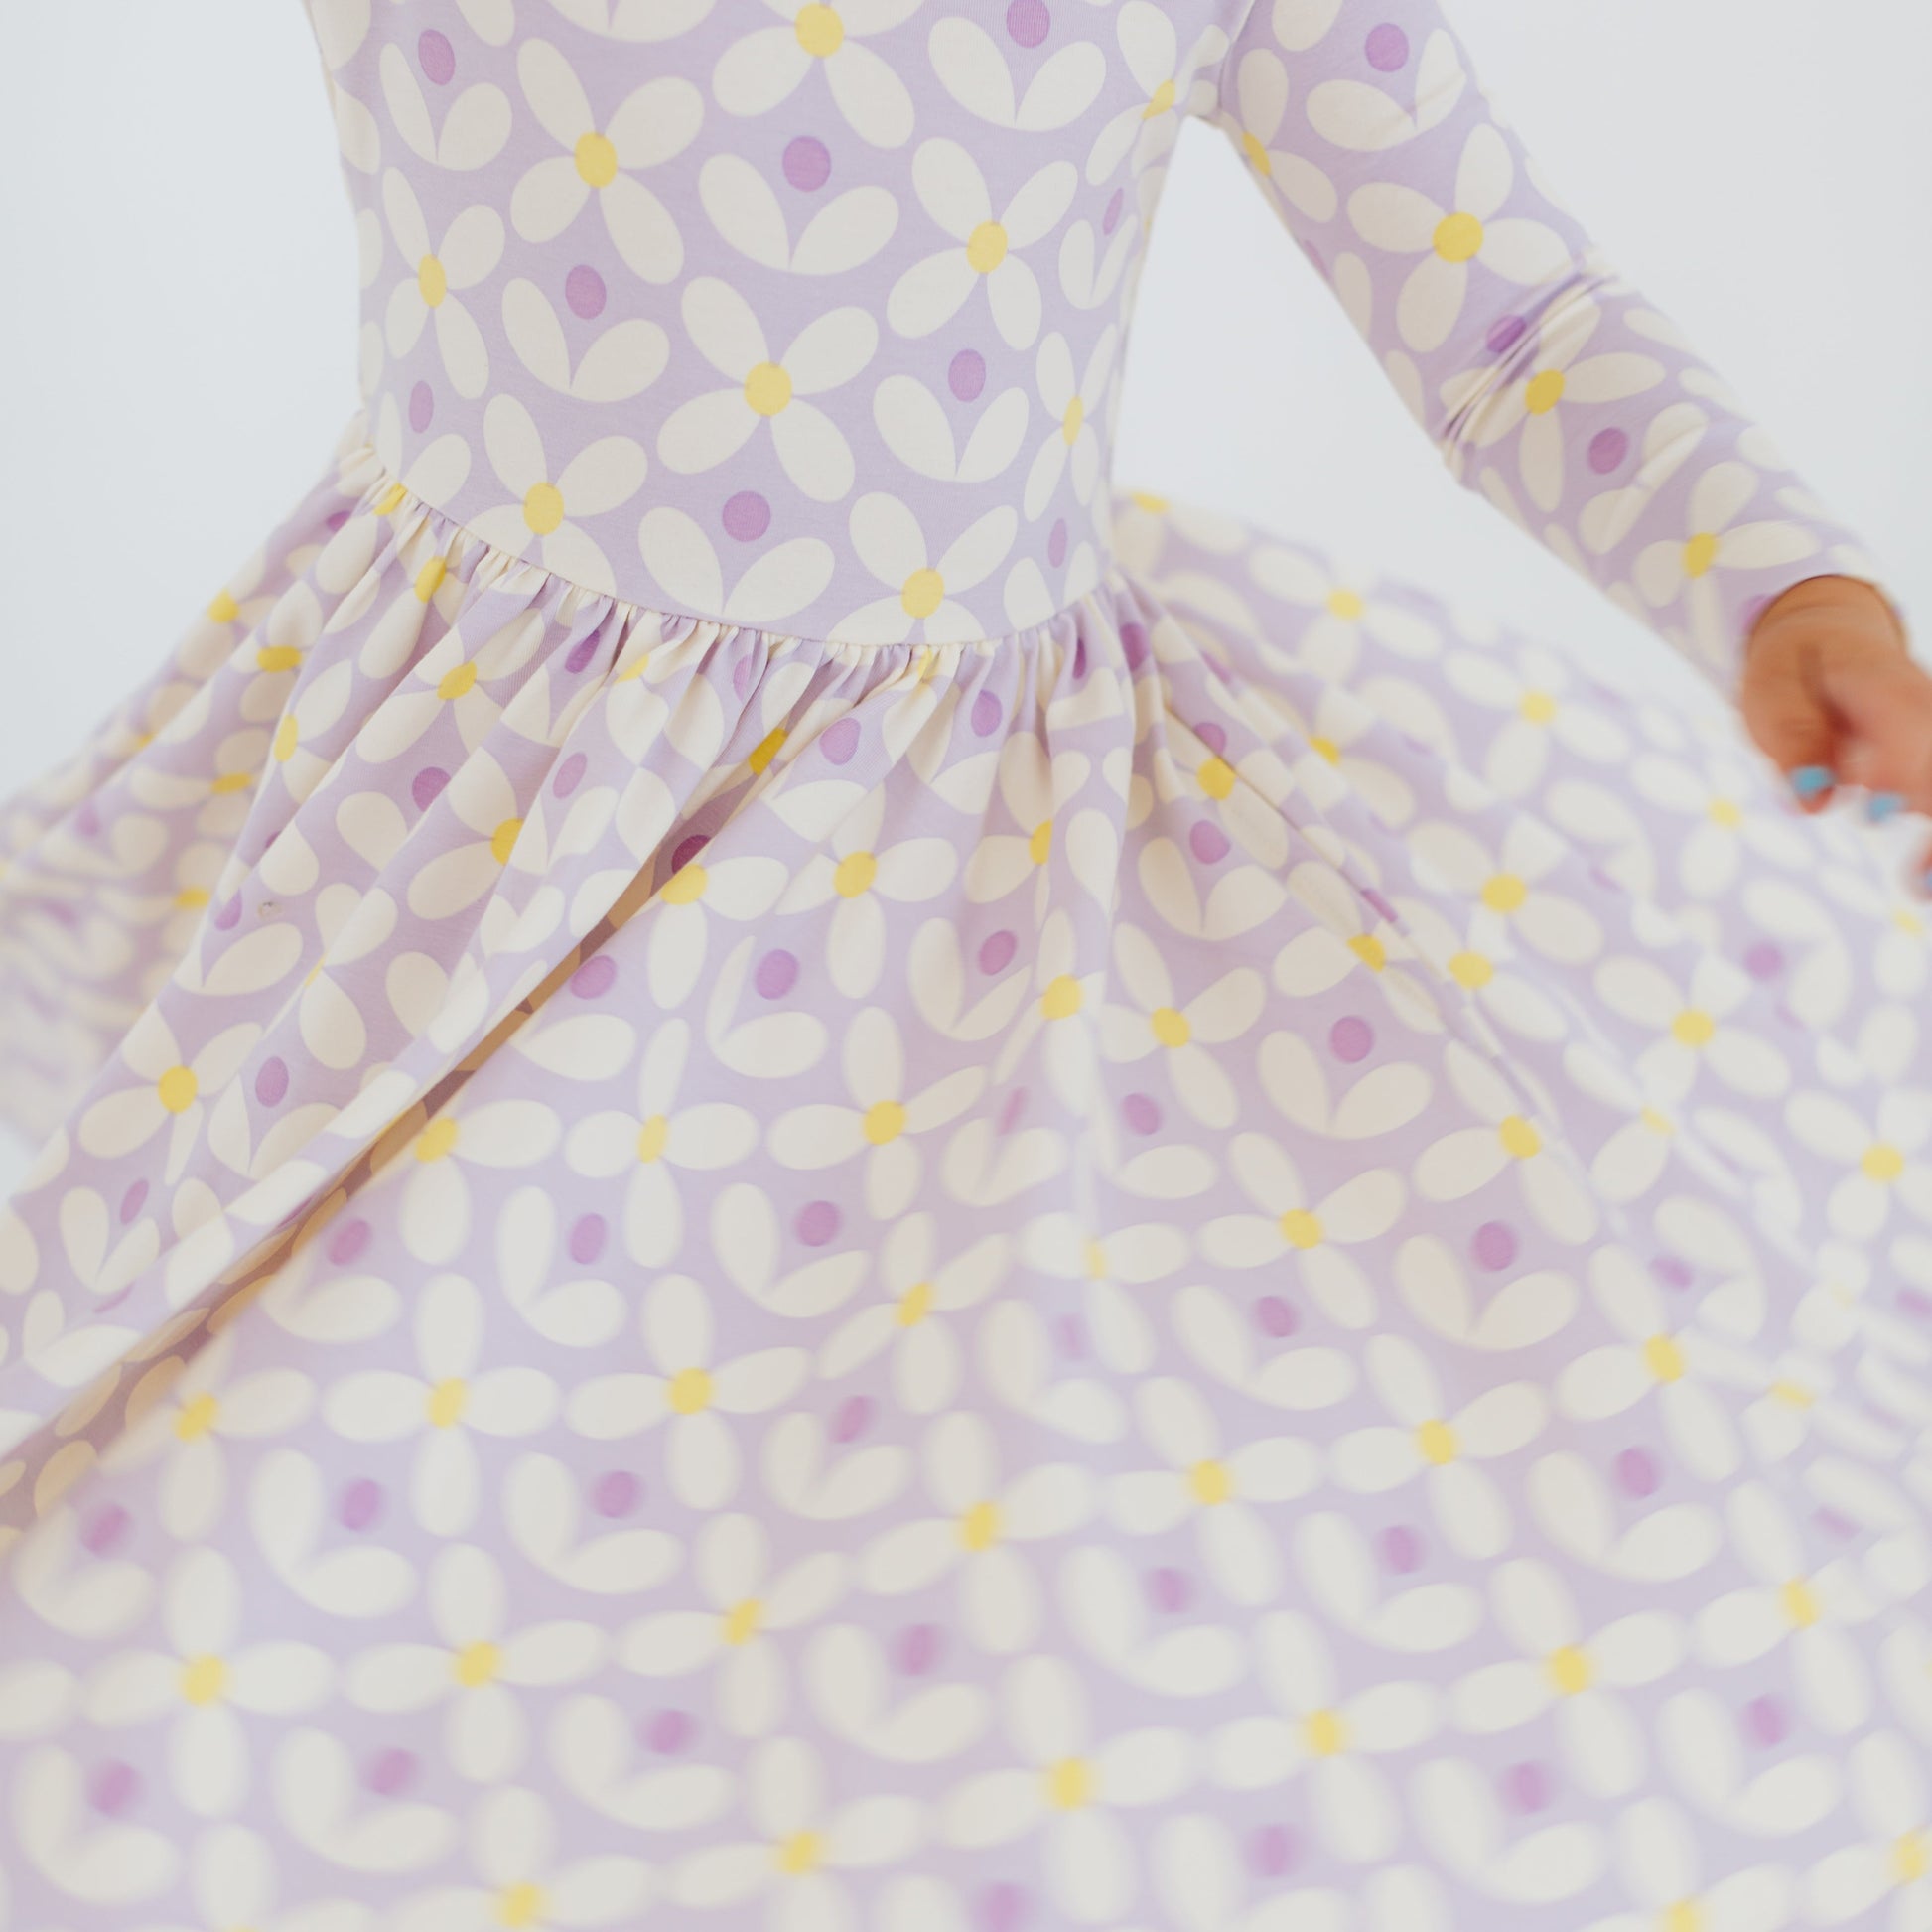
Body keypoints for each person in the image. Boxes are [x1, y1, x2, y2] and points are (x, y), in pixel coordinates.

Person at [0, 1, 1926, 1924]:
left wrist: (1773, 577)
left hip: (992, 907)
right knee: (212, 1554)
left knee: (1007, 1636)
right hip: (444, 845)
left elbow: (1516, 328)